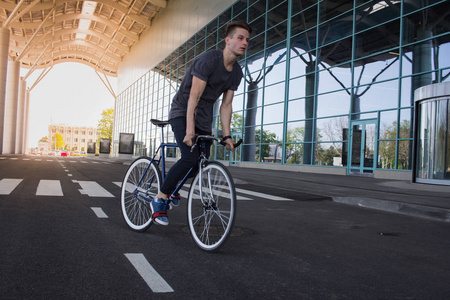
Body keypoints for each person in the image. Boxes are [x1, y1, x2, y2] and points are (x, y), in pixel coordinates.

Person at [150, 20, 252, 226]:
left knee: (199, 165)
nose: (244, 43)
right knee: (189, 158)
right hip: (182, 111)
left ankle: (172, 188)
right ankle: (160, 198)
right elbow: (193, 98)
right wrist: (189, 130)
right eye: (240, 38)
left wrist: (227, 135)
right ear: (228, 40)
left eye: (247, 40)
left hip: (204, 118)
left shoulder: (236, 72)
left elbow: (226, 106)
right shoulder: (208, 61)